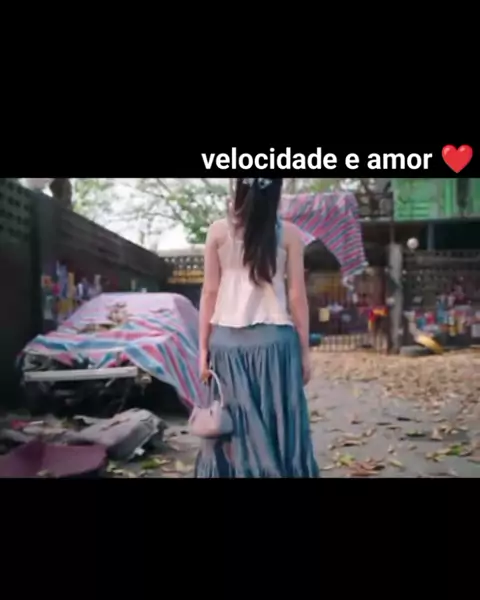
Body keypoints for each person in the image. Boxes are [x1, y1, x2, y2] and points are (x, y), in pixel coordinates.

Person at [195, 178, 319, 478]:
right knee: (279, 424)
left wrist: (202, 349)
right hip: (276, 344)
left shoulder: (217, 232)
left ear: (239, 188)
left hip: (227, 345)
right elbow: (297, 297)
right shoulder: (290, 234)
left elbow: (209, 292)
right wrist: (304, 352)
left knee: (234, 427)